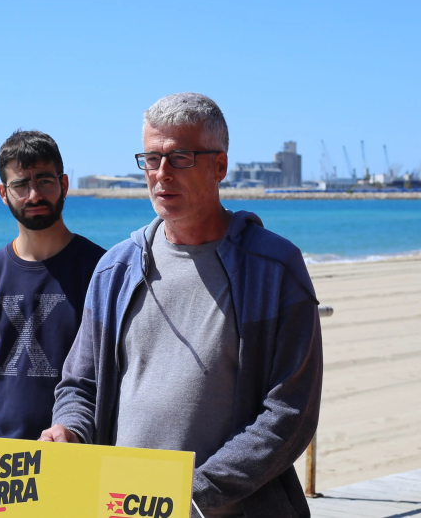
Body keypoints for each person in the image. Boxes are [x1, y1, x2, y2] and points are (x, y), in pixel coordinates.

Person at [41, 93, 323, 518]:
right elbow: (81, 384)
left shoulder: (274, 268)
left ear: (220, 166)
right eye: (151, 159)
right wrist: (69, 430)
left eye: (181, 158)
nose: (161, 175)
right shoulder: (115, 269)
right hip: (122, 507)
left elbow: (288, 415)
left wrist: (191, 493)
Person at [0, 130, 106, 439]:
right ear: (4, 193)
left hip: (81, 447)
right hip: (6, 453)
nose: (34, 195)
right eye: (20, 185)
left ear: (64, 185)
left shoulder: (103, 271)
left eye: (44, 181)